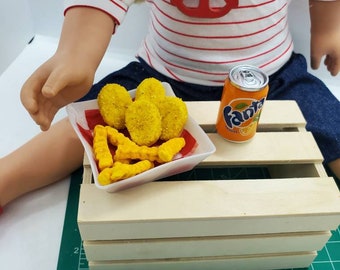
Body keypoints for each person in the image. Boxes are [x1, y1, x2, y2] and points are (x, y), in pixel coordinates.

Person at [0, 0, 339, 212]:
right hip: (161, 80)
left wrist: (330, 26)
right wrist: (76, 52)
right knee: (84, 128)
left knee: (330, 122)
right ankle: (6, 179)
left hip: (271, 77)